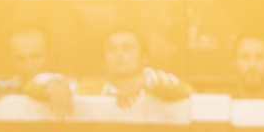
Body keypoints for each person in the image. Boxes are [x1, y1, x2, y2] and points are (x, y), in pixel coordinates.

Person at [25, 27, 194, 116]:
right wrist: (55, 84)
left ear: (144, 58)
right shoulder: (87, 89)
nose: (119, 54)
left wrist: (144, 81)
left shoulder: (158, 86)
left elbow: (189, 91)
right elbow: (30, 85)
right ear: (103, 60)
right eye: (111, 49)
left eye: (127, 48)